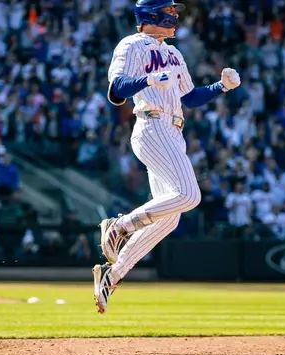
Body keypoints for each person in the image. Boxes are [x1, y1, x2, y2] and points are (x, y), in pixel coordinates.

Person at [92, 0, 241, 314]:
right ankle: (119, 226)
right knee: (189, 195)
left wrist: (220, 87)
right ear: (150, 15)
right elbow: (116, 87)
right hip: (152, 123)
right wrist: (145, 81)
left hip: (174, 130)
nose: (175, 16)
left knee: (170, 218)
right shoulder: (132, 44)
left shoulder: (174, 52)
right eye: (170, 11)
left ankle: (112, 274)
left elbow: (189, 97)